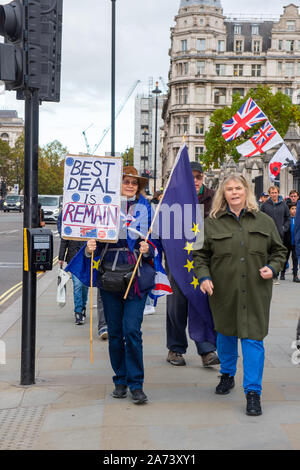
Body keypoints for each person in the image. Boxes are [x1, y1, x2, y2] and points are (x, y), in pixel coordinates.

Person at [193, 174, 287, 416]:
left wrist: (274, 267)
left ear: (247, 192)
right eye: (229, 189)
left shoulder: (264, 221)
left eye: (238, 188)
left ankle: (253, 392)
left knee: (253, 339)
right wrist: (203, 277)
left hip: (256, 292)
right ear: (223, 195)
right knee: (225, 335)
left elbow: (279, 250)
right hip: (223, 291)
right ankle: (227, 374)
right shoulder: (210, 223)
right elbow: (199, 255)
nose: (234, 193)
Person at [85, 166, 156, 405]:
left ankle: (136, 384)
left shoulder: (146, 208)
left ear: (139, 187)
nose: (130, 185)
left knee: (132, 331)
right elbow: (91, 243)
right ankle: (120, 380)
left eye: (134, 183)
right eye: (126, 181)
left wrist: (148, 249)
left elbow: (156, 245)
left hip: (135, 277)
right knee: (115, 334)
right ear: (118, 184)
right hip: (109, 277)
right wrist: (89, 248)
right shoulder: (106, 207)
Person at [166, 161, 219, 368]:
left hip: (204, 261)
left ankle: (206, 350)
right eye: (191, 177)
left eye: (198, 177)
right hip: (178, 261)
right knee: (176, 307)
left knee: (202, 302)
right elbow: (162, 230)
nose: (195, 181)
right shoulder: (173, 198)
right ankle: (175, 348)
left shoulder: (214, 197)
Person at [260, 185, 290, 285]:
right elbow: (260, 219)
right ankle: (267, 273)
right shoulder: (264, 205)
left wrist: (284, 228)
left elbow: (287, 218)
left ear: (278, 193)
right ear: (269, 194)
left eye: (275, 192)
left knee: (276, 253)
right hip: (267, 234)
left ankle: (275, 275)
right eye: (272, 193)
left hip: (279, 234)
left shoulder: (283, 205)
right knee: (268, 253)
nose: (274, 194)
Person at [58, 239, 89, 325]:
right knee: (78, 285)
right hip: (74, 258)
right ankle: (78, 312)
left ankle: (83, 306)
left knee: (84, 286)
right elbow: (64, 239)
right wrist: (61, 257)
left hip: (87, 257)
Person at [280, 203, 300, 282]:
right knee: (285, 258)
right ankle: (282, 273)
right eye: (292, 209)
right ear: (289, 210)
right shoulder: (287, 220)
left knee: (295, 259)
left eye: (295, 209)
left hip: (295, 243)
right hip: (287, 243)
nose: (294, 210)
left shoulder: (298, 219)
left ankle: (295, 275)